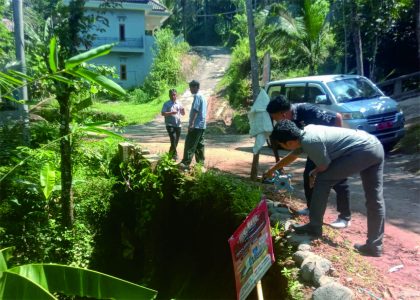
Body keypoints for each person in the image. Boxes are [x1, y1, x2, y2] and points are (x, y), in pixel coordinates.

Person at [266, 120, 385, 257]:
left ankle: (314, 226)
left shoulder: (310, 142)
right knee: (375, 197)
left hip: (362, 151)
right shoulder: (307, 132)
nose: (283, 147)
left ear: (289, 143)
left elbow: (324, 165)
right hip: (375, 146)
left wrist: (313, 173)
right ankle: (375, 245)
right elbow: (292, 156)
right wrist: (272, 169)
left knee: (323, 180)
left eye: (281, 145)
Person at [266, 96, 351, 229]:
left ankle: (345, 217)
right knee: (308, 176)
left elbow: (337, 117)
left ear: (283, 114)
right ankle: (311, 208)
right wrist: (274, 169)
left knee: (339, 180)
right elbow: (296, 152)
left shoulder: (306, 110)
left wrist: (336, 147)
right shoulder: (290, 122)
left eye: (275, 118)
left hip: (333, 147)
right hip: (315, 147)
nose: (276, 121)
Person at [179, 80, 207, 170]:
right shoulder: (203, 96)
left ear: (195, 87)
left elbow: (195, 110)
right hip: (202, 125)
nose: (190, 89)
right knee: (199, 144)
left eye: (191, 87)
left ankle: (185, 163)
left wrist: (191, 124)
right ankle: (200, 163)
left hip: (196, 125)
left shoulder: (197, 96)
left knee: (190, 143)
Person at [161, 89, 185, 160]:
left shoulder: (179, 103)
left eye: (174, 94)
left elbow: (183, 114)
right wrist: (171, 113)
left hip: (178, 124)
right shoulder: (166, 104)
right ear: (169, 95)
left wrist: (183, 110)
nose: (173, 96)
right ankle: (175, 155)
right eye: (171, 95)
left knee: (176, 141)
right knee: (173, 139)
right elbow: (162, 113)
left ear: (176, 95)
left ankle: (170, 154)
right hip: (169, 124)